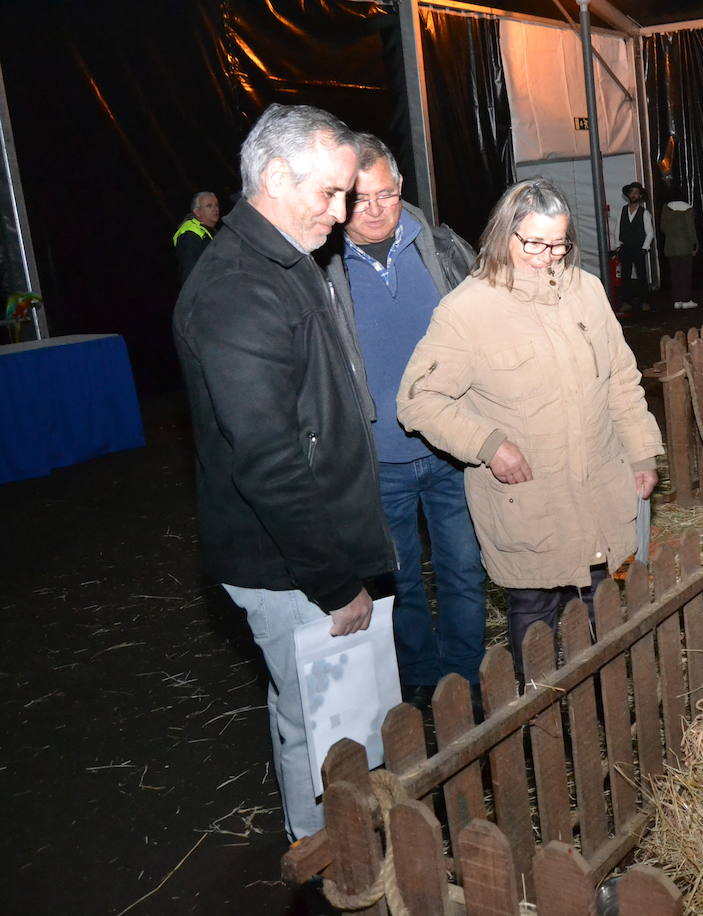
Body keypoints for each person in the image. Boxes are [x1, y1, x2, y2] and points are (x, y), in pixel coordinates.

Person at [173, 104, 393, 842]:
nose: (341, 214)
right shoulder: (239, 286)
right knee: (326, 731)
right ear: (272, 175)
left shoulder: (284, 260)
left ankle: (332, 849)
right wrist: (336, 582)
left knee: (307, 709)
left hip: (300, 553)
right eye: (329, 193)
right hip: (289, 565)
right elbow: (268, 461)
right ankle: (332, 863)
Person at [396, 177, 663, 680]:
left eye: (559, 243)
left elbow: (621, 377)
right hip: (530, 494)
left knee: (599, 598)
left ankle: (599, 705)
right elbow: (418, 401)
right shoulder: (467, 311)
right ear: (505, 235)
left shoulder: (586, 291)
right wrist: (488, 445)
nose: (548, 256)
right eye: (535, 243)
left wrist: (641, 451)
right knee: (536, 607)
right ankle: (543, 720)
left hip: (597, 481)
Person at [322, 134, 486, 712]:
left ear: (401, 189)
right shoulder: (323, 266)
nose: (375, 209)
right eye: (360, 198)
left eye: (385, 194)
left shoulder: (439, 250)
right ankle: (417, 675)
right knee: (400, 579)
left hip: (450, 447)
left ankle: (464, 675)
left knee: (464, 565)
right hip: (377, 458)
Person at [610, 180, 654, 314]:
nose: (634, 195)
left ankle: (645, 301)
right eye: (632, 192)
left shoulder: (644, 213)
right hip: (625, 248)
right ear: (628, 195)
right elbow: (617, 229)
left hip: (639, 248)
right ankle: (626, 302)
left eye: (636, 193)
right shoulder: (622, 211)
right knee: (625, 276)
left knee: (641, 275)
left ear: (640, 196)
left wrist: (645, 248)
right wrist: (617, 245)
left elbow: (650, 232)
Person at [659, 190, 699, 310]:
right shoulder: (688, 209)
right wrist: (695, 243)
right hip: (685, 246)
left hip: (671, 247)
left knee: (675, 274)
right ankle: (686, 299)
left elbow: (663, 228)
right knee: (685, 274)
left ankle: (677, 300)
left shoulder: (666, 209)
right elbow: (690, 229)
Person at [172, 191, 220, 284]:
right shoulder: (190, 236)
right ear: (197, 212)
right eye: (209, 206)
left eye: (216, 205)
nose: (215, 209)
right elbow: (190, 274)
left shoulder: (211, 231)